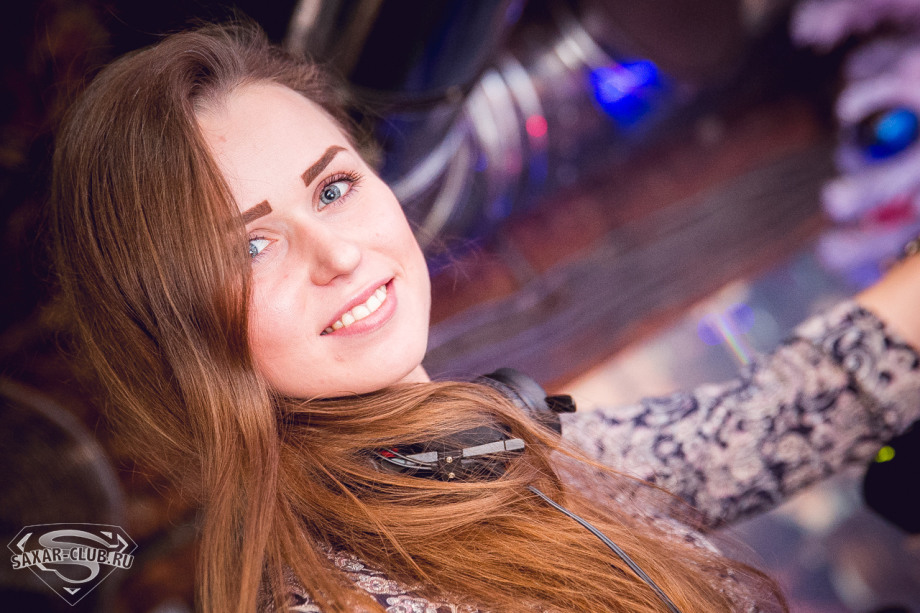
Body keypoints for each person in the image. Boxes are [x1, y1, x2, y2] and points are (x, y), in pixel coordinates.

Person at [48, 23, 920, 613]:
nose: (339, 254)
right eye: (252, 245)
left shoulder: (491, 449)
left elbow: (786, 413)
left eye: (334, 187)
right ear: (174, 337)